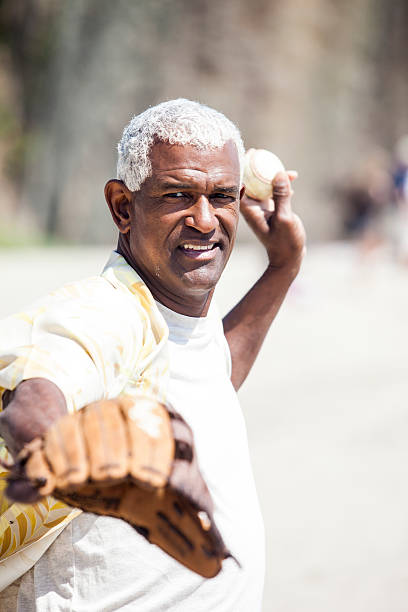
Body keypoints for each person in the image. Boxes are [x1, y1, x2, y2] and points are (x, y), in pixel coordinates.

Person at [0, 99, 305, 611]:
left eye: (222, 197)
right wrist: (90, 461)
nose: (205, 220)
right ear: (123, 206)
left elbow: (212, 373)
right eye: (178, 195)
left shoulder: (172, 321)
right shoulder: (101, 313)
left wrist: (282, 269)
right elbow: (32, 403)